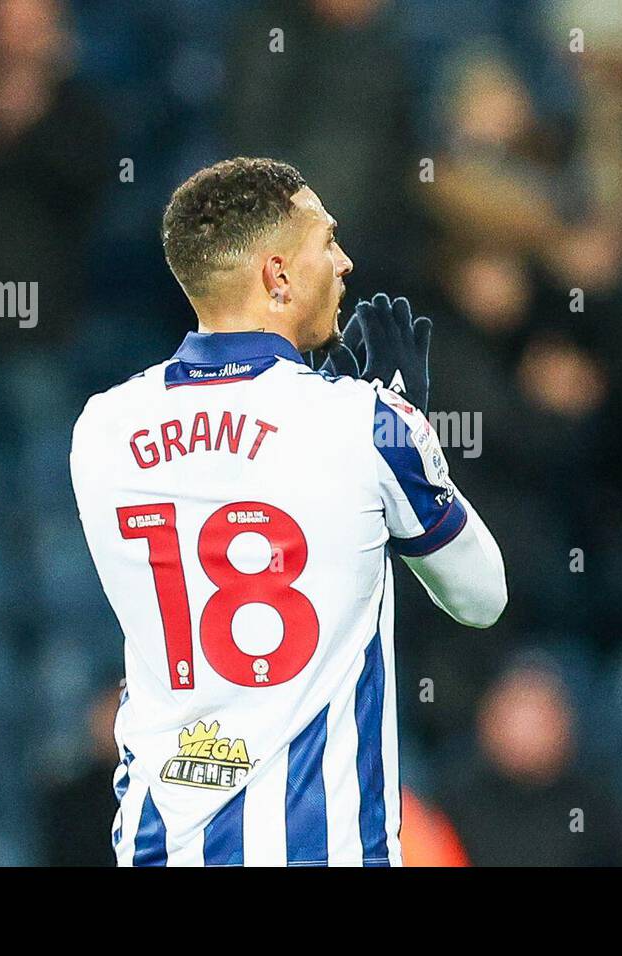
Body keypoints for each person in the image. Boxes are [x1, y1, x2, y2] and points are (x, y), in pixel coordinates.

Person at [69, 157, 506, 866]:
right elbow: (482, 597)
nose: (345, 261)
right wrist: (410, 436)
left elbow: (227, 480)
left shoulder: (100, 427)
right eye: (327, 242)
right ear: (277, 276)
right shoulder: (369, 423)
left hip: (161, 847)